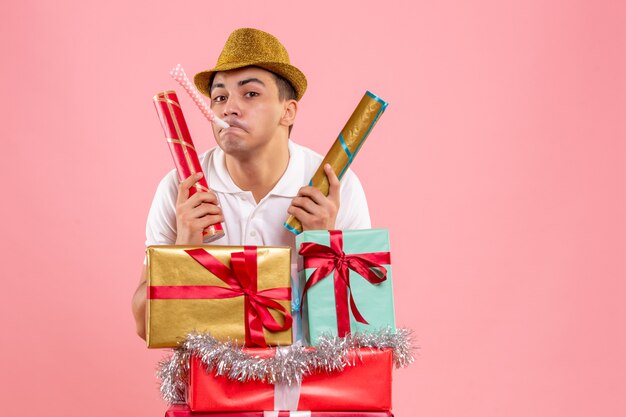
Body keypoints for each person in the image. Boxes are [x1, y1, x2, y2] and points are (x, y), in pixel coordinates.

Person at [132, 28, 371, 340]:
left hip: (307, 385)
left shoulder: (334, 187)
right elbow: (143, 324)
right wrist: (183, 250)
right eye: (219, 97)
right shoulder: (181, 187)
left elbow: (364, 325)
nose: (229, 108)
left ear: (288, 111)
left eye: (251, 94)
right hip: (214, 386)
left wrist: (324, 244)